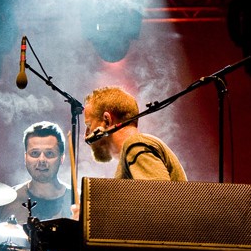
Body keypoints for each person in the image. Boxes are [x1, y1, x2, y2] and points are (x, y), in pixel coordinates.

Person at [71, 85, 187, 219]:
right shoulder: (133, 150)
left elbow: (159, 207)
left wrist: (93, 215)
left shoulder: (136, 144)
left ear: (107, 120)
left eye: (89, 125)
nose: (86, 135)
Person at [0, 121, 73, 226]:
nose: (42, 160)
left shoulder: (81, 202)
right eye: (34, 153)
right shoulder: (3, 202)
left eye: (49, 153)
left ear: (61, 158)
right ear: (25, 157)